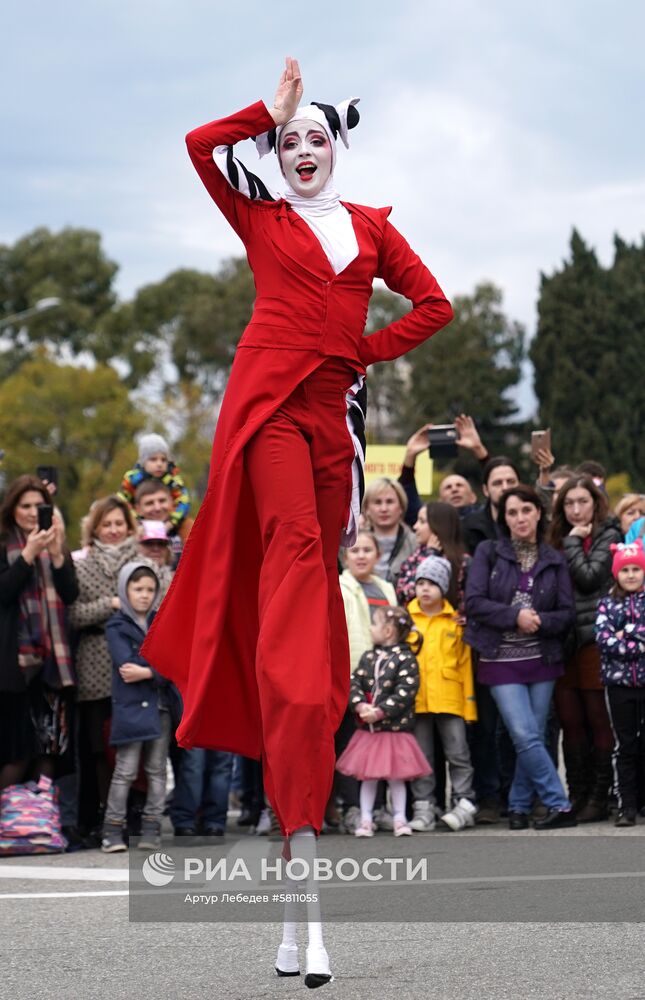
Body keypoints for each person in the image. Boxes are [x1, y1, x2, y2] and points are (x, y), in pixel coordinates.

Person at [141, 56, 453, 986]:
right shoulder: (259, 212)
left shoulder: (368, 228)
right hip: (269, 407)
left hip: (335, 418)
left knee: (315, 578)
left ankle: (302, 734)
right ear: (275, 156)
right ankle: (289, 690)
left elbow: (433, 305)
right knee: (295, 556)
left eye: (315, 137)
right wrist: (260, 112)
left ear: (339, 147)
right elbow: (200, 146)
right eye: (289, 142)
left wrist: (363, 349)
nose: (301, 150)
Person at [465, 485, 577, 830]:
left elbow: (567, 613)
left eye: (526, 510)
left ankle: (517, 805)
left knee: (533, 734)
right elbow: (475, 602)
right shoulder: (489, 552)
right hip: (500, 660)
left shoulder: (554, 558)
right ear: (504, 518)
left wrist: (540, 621)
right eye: (512, 512)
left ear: (539, 513)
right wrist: (515, 616)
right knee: (524, 734)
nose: (520, 518)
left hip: (543, 658)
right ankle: (559, 802)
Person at [549, 475, 621, 821]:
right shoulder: (556, 538)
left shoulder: (609, 535)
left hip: (594, 639)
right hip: (563, 640)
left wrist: (575, 544)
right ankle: (577, 795)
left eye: (583, 502)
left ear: (596, 503)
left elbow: (591, 577)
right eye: (569, 503)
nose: (576, 510)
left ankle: (600, 796)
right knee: (570, 721)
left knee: (598, 719)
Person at [0, 476, 78, 790]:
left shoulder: (56, 544)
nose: (33, 512)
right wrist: (28, 554)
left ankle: (38, 826)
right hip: (15, 667)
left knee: (49, 749)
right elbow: (4, 592)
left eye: (39, 505)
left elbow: (70, 594)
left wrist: (57, 555)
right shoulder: (4, 543)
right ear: (12, 509)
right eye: (26, 505)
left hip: (53, 667)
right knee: (16, 754)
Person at [68, 496, 139, 835]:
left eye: (118, 524)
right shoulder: (80, 564)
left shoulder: (141, 563)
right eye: (106, 524)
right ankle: (101, 816)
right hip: (93, 664)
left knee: (131, 744)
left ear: (128, 526)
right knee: (98, 747)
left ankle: (131, 815)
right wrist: (110, 604)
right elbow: (75, 614)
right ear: (94, 528)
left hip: (132, 664)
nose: (113, 530)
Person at [102, 562, 180, 852]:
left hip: (160, 707)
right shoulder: (116, 625)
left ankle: (151, 827)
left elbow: (172, 660)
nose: (144, 595)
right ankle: (112, 829)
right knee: (126, 769)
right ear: (125, 589)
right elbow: (126, 665)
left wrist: (149, 673)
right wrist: (157, 668)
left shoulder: (162, 621)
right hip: (131, 708)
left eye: (150, 589)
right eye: (138, 589)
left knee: (157, 769)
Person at [336, 605, 429, 837]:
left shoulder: (406, 659)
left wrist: (380, 712)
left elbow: (405, 693)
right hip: (369, 732)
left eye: (374, 624)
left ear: (388, 631)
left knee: (396, 778)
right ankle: (366, 819)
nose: (370, 628)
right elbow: (354, 682)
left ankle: (400, 817)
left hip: (394, 731)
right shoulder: (369, 657)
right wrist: (359, 705)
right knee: (369, 777)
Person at [408, 555, 478, 832]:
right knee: (422, 757)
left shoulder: (454, 623)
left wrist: (469, 707)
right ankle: (424, 806)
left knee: (458, 754)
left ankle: (463, 801)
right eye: (420, 583)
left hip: (451, 701)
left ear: (443, 588)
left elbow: (464, 668)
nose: (425, 589)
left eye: (432, 584)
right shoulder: (406, 621)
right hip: (418, 701)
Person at [338, 530, 397, 832]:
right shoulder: (340, 586)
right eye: (355, 550)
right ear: (345, 557)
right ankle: (352, 807)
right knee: (352, 745)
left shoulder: (386, 588)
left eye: (367, 550)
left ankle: (379, 807)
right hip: (352, 675)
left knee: (382, 744)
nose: (361, 555)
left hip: (384, 679)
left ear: (377, 555)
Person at [595, 543, 645, 827]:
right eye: (625, 569)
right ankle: (626, 805)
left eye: (636, 569)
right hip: (619, 685)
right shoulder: (607, 603)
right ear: (616, 573)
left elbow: (617, 638)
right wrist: (637, 645)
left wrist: (626, 631)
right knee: (625, 745)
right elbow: (604, 640)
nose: (630, 575)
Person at [397, 501, 471, 614]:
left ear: (439, 525)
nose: (415, 526)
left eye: (422, 521)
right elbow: (405, 595)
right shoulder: (413, 558)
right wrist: (430, 555)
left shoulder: (463, 562)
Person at [118, 433, 191, 537]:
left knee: (188, 526)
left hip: (169, 522)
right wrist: (136, 520)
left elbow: (183, 501)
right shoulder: (133, 478)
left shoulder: (172, 479)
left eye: (163, 459)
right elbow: (122, 500)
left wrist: (172, 522)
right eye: (153, 459)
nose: (159, 464)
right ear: (143, 462)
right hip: (138, 522)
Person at [361, 478, 416, 583]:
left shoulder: (415, 544)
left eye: (389, 502)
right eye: (377, 502)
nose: (384, 509)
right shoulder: (352, 544)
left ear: (401, 507)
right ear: (367, 509)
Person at [461, 456, 520, 555]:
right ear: (486, 490)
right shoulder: (468, 528)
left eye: (510, 482)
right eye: (497, 483)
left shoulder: (534, 524)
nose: (505, 488)